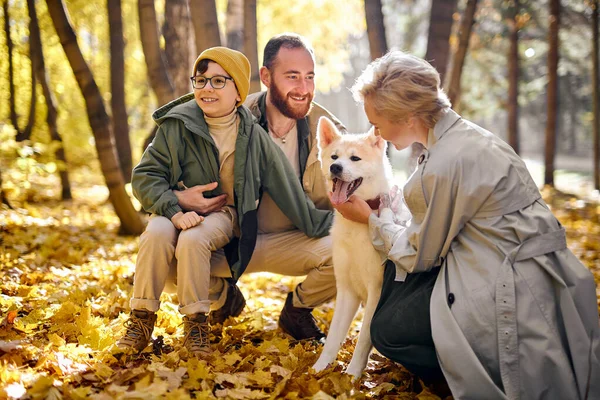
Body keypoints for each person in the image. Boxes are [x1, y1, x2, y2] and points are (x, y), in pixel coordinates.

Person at [334, 50, 600, 399]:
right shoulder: (467, 138)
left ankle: (460, 370)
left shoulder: (447, 162)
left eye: (378, 120)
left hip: (505, 284)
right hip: (538, 271)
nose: (375, 129)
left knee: (388, 328)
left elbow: (420, 256)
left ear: (409, 115)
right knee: (396, 293)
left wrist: (370, 219)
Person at [117, 47, 332, 356]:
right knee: (155, 234)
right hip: (170, 207)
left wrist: (344, 221)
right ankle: (140, 320)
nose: (207, 88)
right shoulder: (176, 125)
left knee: (194, 238)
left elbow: (290, 194)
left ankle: (195, 323)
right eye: (201, 80)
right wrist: (174, 207)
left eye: (219, 81)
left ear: (238, 92)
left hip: (221, 214)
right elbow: (144, 177)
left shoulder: (253, 136)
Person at [176, 33, 346, 341]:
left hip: (298, 240)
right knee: (169, 255)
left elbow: (349, 196)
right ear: (266, 77)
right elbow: (170, 169)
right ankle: (222, 296)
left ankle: (297, 311)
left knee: (352, 249)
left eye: (309, 77)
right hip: (237, 241)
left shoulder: (330, 131)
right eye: (292, 77)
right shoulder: (228, 116)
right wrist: (177, 196)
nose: (303, 88)